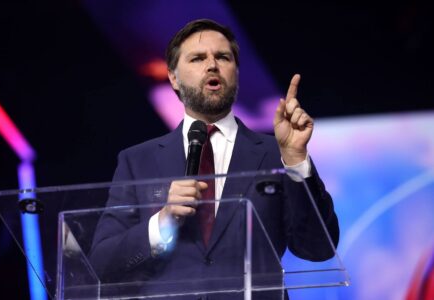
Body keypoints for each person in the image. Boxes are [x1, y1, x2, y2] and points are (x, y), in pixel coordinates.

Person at [89, 19, 339, 299]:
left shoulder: (275, 152)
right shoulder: (137, 161)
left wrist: (295, 160)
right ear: (173, 77)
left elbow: (319, 248)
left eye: (223, 57)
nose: (212, 65)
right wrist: (163, 220)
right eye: (197, 58)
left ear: (236, 72)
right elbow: (102, 264)